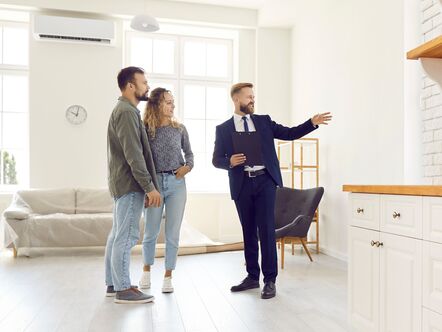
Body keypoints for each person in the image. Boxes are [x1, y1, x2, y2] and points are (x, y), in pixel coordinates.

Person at [212, 82, 332, 299]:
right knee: (248, 232)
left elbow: (289, 133)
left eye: (253, 97)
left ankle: (270, 280)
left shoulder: (264, 121)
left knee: (266, 230)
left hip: (265, 182)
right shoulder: (223, 129)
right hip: (242, 184)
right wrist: (229, 161)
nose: (252, 100)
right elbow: (216, 160)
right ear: (236, 99)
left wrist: (311, 123)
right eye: (248, 97)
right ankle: (251, 277)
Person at [104, 66, 162, 304]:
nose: (147, 86)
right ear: (131, 86)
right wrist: (149, 187)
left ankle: (113, 283)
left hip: (122, 183)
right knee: (126, 237)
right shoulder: (127, 112)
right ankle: (123, 288)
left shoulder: (124, 110)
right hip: (129, 184)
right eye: (144, 82)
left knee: (116, 235)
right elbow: (134, 155)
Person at [139, 87, 194, 293]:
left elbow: (189, 155)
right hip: (154, 186)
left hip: (177, 184)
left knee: (173, 233)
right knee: (151, 232)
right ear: (156, 104)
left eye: (173, 102)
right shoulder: (145, 129)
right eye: (168, 102)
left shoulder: (179, 128)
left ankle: (168, 276)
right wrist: (147, 188)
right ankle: (146, 271)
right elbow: (142, 160)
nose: (172, 106)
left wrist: (186, 168)